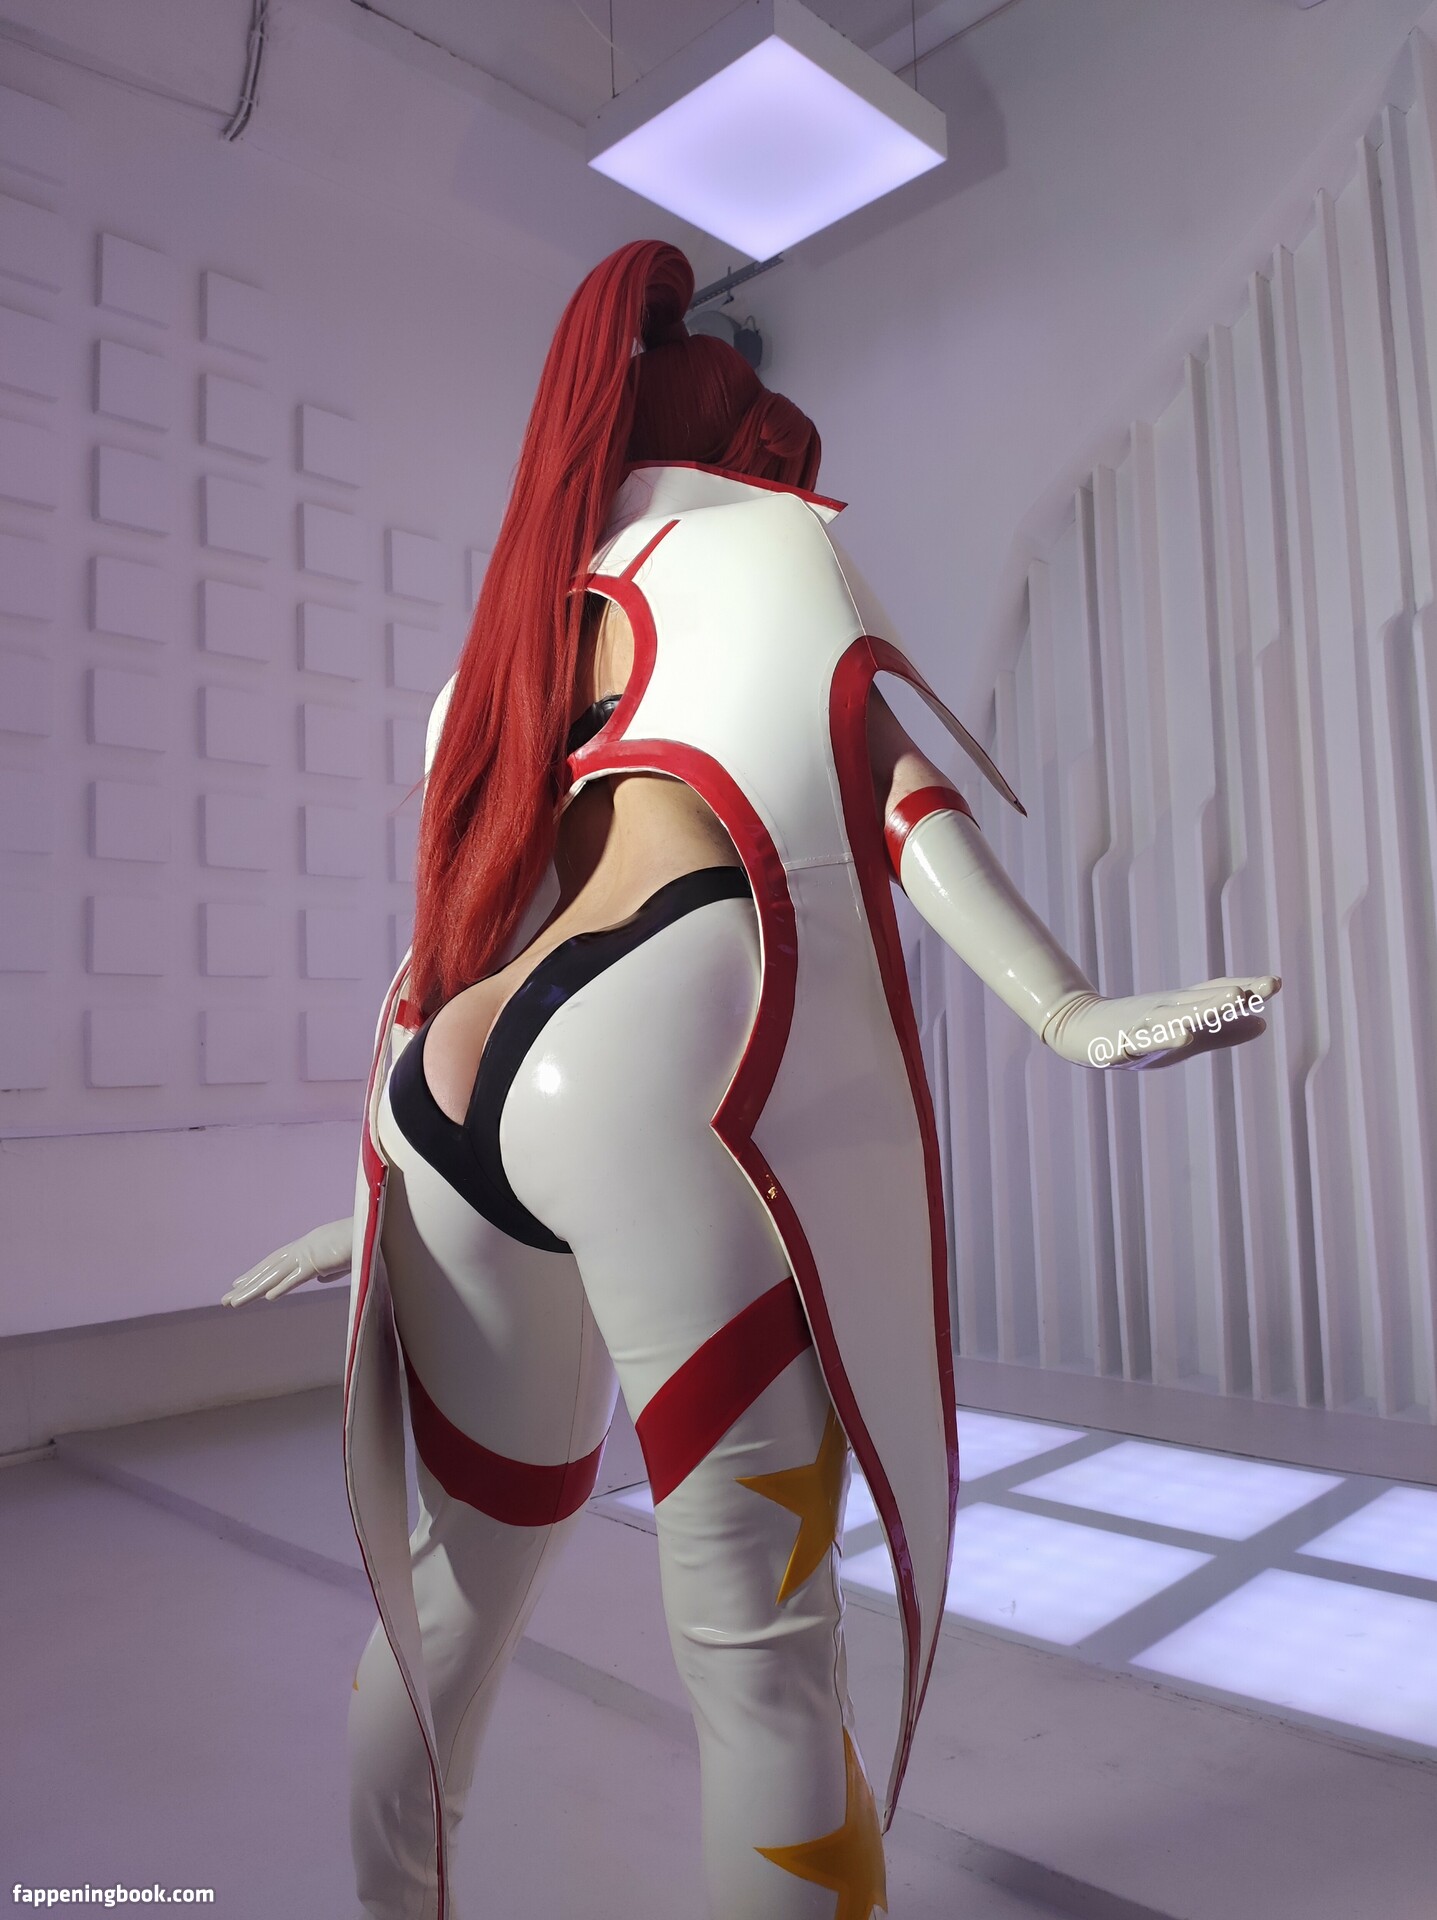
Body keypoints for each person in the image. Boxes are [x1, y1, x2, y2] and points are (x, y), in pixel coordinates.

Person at [225, 239, 1279, 1920]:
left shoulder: (500, 649)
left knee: (446, 1601)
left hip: (445, 1086)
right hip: (654, 1043)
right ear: (745, 441)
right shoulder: (771, 544)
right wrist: (1070, 1012)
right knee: (762, 1650)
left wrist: (377, 1195)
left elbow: (465, 940)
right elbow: (899, 800)